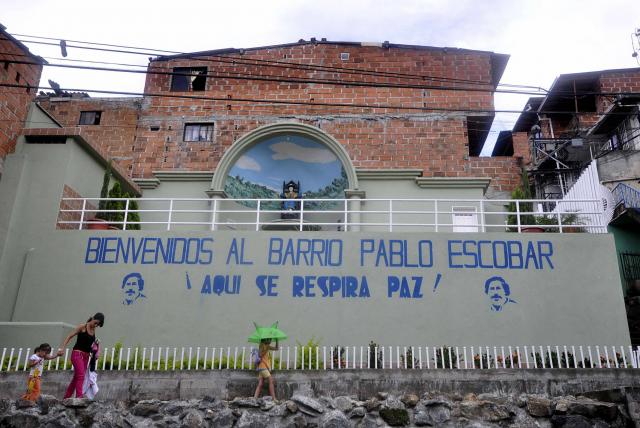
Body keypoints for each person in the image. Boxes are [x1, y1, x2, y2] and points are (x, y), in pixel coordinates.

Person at [59, 312, 104, 399]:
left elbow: (92, 344)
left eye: (97, 325)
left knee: (76, 378)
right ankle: (79, 396)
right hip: (77, 354)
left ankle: (66, 397)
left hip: (86, 356)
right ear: (93, 318)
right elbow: (69, 336)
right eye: (95, 323)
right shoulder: (82, 327)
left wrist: (96, 351)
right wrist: (62, 348)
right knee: (81, 376)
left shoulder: (93, 330)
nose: (96, 325)